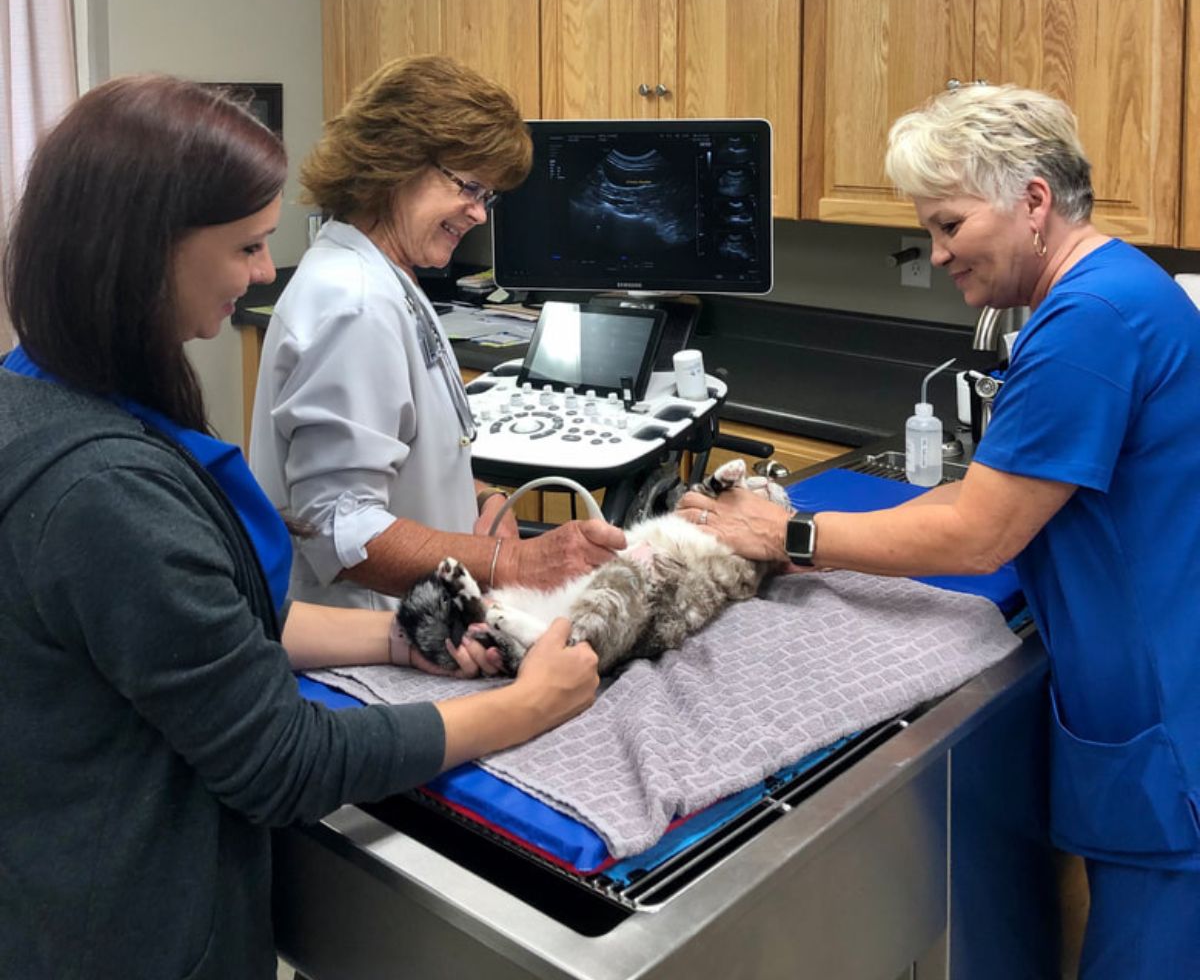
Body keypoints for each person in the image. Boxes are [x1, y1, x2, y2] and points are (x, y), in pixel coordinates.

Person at [0, 75, 599, 980]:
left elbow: (201, 622)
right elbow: (279, 760)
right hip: (129, 928)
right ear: (138, 251)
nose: (262, 275)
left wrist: (408, 640)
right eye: (245, 245)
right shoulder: (104, 489)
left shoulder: (44, 394)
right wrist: (524, 705)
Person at [678, 84, 1200, 979]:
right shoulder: (1119, 287)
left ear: (1033, 201)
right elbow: (983, 498)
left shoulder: (1087, 326)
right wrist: (798, 521)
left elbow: (978, 535)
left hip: (1160, 724)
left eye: (950, 223)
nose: (938, 252)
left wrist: (788, 542)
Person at [249, 55, 625, 624]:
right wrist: (511, 563)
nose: (478, 213)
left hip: (422, 627)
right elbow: (340, 531)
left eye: (489, 196)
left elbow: (396, 462)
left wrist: (479, 499)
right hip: (373, 652)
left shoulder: (383, 276)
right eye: (469, 187)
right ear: (394, 161)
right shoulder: (357, 303)